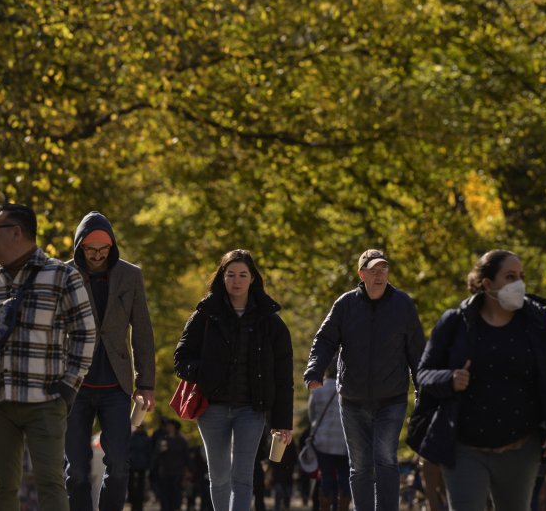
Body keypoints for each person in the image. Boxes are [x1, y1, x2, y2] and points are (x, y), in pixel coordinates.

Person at [412, 250, 546, 510]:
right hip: (464, 447)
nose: (519, 284)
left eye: (522, 277)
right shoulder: (454, 323)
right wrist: (449, 379)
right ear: (487, 284)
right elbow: (423, 374)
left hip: (522, 447)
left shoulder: (538, 325)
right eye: (510, 276)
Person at [0, 203, 98, 511]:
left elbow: (85, 333)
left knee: (51, 482)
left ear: (17, 232)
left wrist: (67, 386)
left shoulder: (62, 276)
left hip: (45, 401)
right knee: (3, 485)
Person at [304, 248, 426, 511]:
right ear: (362, 274)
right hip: (352, 399)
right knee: (359, 466)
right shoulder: (345, 304)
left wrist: (422, 389)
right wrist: (315, 370)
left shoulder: (402, 304)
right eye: (373, 270)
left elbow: (416, 349)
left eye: (383, 269)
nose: (379, 274)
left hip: (391, 398)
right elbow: (324, 340)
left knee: (385, 459)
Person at [173, 249, 294, 511]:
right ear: (222, 277)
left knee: (242, 476)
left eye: (242, 275)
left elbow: (284, 377)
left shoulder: (271, 323)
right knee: (218, 477)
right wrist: (205, 372)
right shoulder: (204, 315)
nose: (236, 281)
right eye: (230, 275)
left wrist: (282, 422)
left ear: (253, 279)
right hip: (211, 408)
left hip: (251, 409)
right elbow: (181, 359)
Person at [64, 212, 157, 511]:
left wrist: (146, 384)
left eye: (103, 250)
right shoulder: (64, 276)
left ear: (112, 247)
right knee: (76, 470)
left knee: (118, 465)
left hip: (116, 385)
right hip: (74, 385)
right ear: (79, 247)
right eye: (90, 250)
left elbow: (142, 330)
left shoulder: (131, 276)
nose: (97, 256)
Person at [308, 362, 350, 511]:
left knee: (326, 477)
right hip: (345, 442)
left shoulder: (318, 388)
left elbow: (312, 414)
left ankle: (325, 507)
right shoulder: (348, 388)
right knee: (345, 477)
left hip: (323, 441)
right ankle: (343, 507)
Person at [127, 424, 153, 511]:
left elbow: (149, 453)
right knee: (131, 486)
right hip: (132, 465)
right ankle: (133, 503)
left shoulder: (146, 439)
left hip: (142, 466)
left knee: (140, 487)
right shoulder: (131, 437)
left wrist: (149, 466)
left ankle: (139, 505)